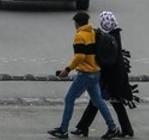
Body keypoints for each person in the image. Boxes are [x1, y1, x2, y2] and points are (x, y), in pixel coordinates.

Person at [48, 11, 120, 139]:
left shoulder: (80, 36)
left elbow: (80, 56)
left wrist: (67, 69)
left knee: (69, 99)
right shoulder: (92, 32)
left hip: (85, 74)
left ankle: (63, 130)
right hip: (95, 72)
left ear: (76, 23)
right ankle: (113, 127)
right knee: (98, 101)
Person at [73, 11, 136, 138]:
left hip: (110, 77)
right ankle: (126, 130)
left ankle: (86, 127)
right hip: (115, 76)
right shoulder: (115, 34)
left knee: (98, 101)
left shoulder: (108, 38)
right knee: (104, 102)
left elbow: (106, 59)